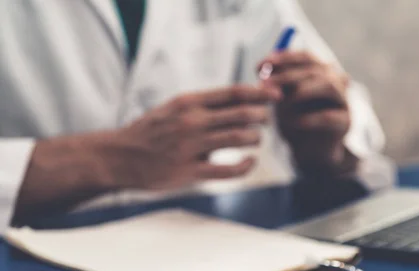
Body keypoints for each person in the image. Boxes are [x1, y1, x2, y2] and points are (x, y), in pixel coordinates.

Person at [0, 0, 394, 233]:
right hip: (29, 262)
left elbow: (346, 109)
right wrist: (108, 160)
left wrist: (321, 137)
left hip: (208, 252)